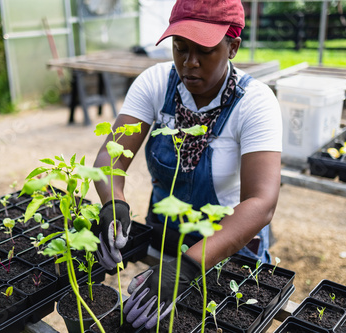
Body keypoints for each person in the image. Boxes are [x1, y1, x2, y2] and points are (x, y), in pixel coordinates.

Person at [93, 0, 282, 329]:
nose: (189, 63)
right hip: (168, 233)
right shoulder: (154, 83)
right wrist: (113, 202)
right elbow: (110, 157)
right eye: (180, 48)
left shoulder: (256, 102)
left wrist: (188, 266)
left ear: (232, 46)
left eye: (205, 51)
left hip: (229, 244)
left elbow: (261, 203)